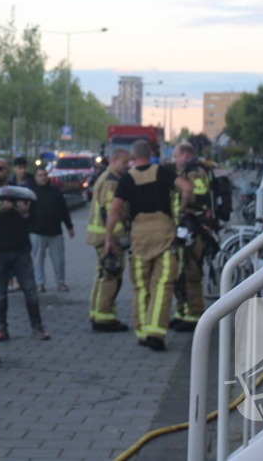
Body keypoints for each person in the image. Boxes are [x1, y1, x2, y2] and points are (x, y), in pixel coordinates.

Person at [105, 139, 192, 351]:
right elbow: (187, 187)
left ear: (133, 157)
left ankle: (143, 332)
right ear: (151, 154)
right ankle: (156, 332)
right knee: (162, 284)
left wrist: (109, 239)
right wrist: (181, 210)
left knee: (141, 286)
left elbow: (114, 211)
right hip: (164, 233)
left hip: (140, 237)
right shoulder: (162, 172)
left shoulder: (127, 179)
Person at [0, 157, 49, 341]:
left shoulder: (20, 193)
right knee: (0, 293)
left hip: (20, 249)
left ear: (7, 171)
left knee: (30, 290)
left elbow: (35, 221)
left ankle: (37, 327)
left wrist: (25, 213)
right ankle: (1, 328)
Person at [85, 147, 131, 333]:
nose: (127, 165)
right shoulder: (111, 181)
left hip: (102, 236)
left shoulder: (107, 177)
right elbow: (111, 212)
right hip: (108, 238)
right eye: (125, 162)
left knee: (103, 275)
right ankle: (105, 318)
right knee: (111, 276)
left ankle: (97, 313)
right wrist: (118, 237)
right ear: (114, 160)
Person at [171, 142, 214, 332]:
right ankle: (182, 311)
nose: (174, 160)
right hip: (184, 229)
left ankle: (195, 314)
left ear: (186, 155)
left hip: (194, 230)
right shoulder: (187, 171)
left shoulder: (195, 172)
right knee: (181, 273)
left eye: (176, 156)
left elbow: (200, 195)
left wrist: (182, 208)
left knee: (192, 273)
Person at [29, 166, 74, 292]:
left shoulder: (55, 191)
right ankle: (39, 283)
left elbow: (64, 209)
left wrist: (69, 227)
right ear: (35, 177)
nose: (43, 178)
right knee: (38, 259)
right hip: (37, 231)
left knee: (58, 259)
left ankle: (60, 282)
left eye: (45, 175)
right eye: (40, 175)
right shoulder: (31, 192)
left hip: (55, 231)